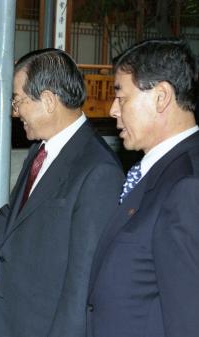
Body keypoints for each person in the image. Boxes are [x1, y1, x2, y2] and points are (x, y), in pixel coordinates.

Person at [0, 49, 124, 337]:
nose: (14, 112)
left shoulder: (97, 170)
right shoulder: (41, 151)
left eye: (18, 101)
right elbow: (13, 217)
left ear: (49, 100)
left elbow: (83, 282)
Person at [87, 39, 199, 337]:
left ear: (161, 97)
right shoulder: (157, 171)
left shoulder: (187, 185)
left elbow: (188, 318)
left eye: (121, 97)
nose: (112, 110)